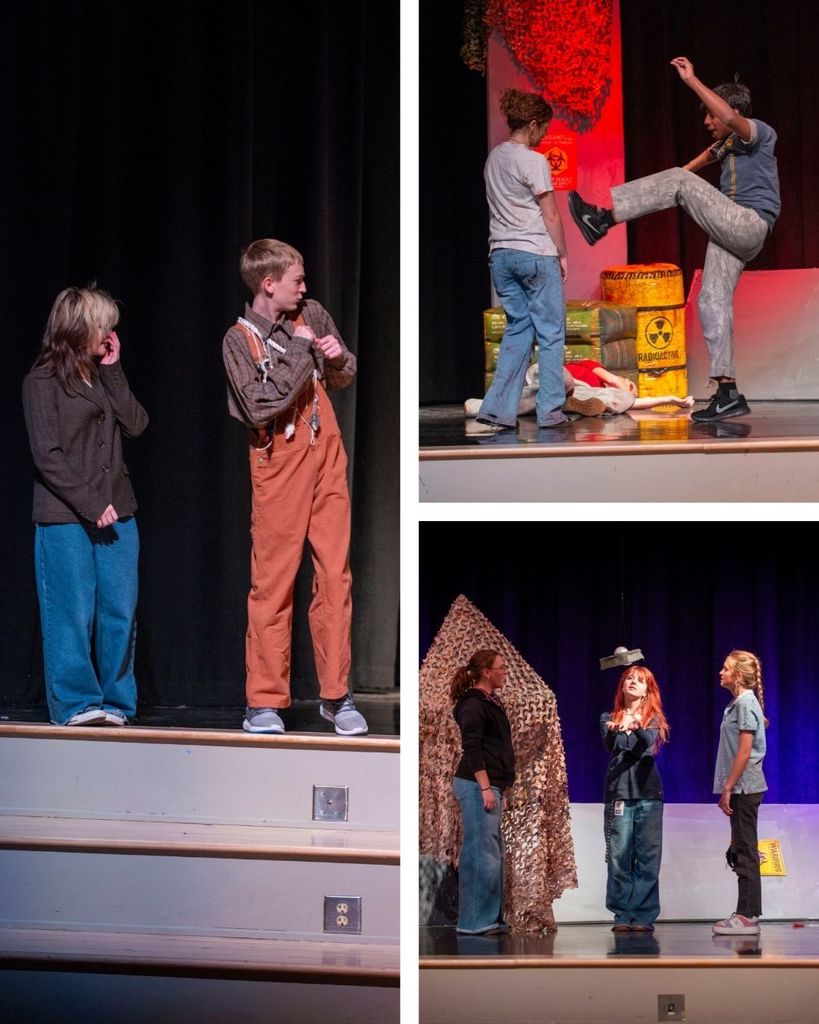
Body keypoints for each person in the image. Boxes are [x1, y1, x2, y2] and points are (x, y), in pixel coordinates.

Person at [568, 56, 780, 422]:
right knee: (711, 300)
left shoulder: (759, 131)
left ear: (730, 111)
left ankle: (601, 219)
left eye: (710, 115)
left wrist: (692, 81)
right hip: (731, 228)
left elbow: (729, 120)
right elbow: (697, 164)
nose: (707, 122)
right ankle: (728, 392)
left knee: (679, 182)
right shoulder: (727, 144)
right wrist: (671, 182)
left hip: (748, 222)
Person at [222, 238, 367, 736]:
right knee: (273, 581)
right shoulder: (238, 340)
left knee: (335, 576)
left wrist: (339, 357)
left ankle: (337, 695)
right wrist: (304, 348)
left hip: (325, 451)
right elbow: (259, 405)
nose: (304, 288)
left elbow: (343, 375)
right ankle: (263, 701)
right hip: (278, 462)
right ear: (268, 284)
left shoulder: (313, 314)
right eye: (296, 280)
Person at [22, 286, 148, 726]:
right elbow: (48, 456)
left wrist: (114, 371)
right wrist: (92, 503)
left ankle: (117, 704)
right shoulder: (41, 382)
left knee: (119, 612)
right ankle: (76, 703)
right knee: (71, 611)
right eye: (102, 325)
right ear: (78, 328)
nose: (109, 333)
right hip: (65, 515)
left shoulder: (102, 376)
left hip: (118, 512)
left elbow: (137, 424)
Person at [476, 87, 570, 432]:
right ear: (532, 125)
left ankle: (498, 410)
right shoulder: (533, 160)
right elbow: (550, 214)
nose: (544, 135)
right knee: (551, 333)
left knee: (518, 328)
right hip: (534, 253)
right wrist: (561, 253)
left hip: (501, 255)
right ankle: (551, 412)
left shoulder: (494, 158)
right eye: (543, 128)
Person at [600, 665, 670, 932]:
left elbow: (646, 745)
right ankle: (622, 914)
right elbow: (613, 745)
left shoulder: (653, 718)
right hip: (619, 793)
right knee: (619, 857)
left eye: (640, 681)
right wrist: (617, 730)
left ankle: (643, 915)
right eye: (629, 678)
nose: (633, 682)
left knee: (648, 856)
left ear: (647, 690)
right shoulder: (608, 717)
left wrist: (637, 728)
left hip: (648, 794)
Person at [451, 649, 516, 934]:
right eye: (500, 668)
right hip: (477, 784)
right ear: (486, 672)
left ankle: (489, 917)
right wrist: (486, 787)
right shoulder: (473, 703)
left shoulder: (491, 701)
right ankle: (475, 921)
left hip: (491, 785)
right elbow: (472, 747)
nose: (505, 672)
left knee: (491, 852)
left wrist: (500, 787)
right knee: (481, 852)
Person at [712, 649, 768, 936]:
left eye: (726, 668)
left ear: (738, 675)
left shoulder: (745, 702)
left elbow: (745, 752)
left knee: (745, 851)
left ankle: (748, 915)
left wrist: (728, 787)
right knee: (741, 849)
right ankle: (745, 912)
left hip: (745, 786)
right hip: (741, 787)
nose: (720, 672)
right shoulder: (738, 704)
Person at [465, 361, 694, 418]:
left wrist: (671, 399)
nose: (628, 383)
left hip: (578, 392)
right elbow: (613, 381)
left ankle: (479, 406)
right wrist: (619, 381)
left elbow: (634, 402)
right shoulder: (595, 367)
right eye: (629, 382)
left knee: (530, 402)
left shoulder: (601, 392)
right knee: (553, 379)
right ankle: (563, 398)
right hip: (554, 375)